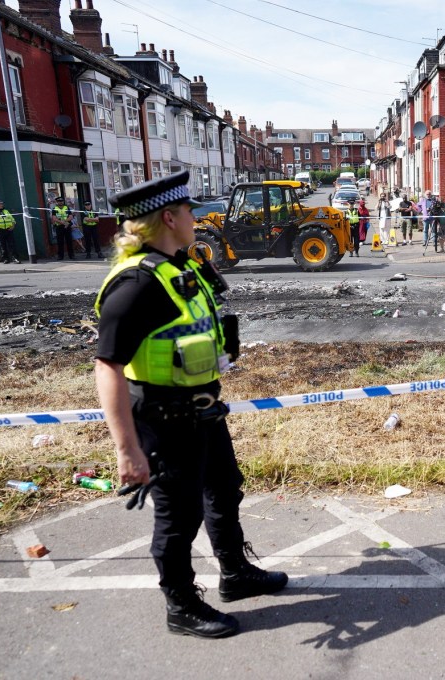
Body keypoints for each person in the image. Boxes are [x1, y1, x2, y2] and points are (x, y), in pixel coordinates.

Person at [94, 170, 288, 639]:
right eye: (188, 213)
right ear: (168, 217)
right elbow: (107, 367)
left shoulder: (180, 266)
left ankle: (235, 574)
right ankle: (180, 605)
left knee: (224, 489)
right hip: (163, 418)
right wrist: (127, 450)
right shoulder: (137, 285)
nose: (195, 220)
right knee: (179, 517)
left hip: (202, 410)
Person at [0, 199, 20, 264]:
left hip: (8, 229)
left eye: (1, 204)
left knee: (12, 244)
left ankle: (15, 258)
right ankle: (5, 259)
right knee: (2, 245)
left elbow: (12, 219)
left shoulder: (6, 211)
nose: (1, 205)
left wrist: (13, 226)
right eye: (0, 204)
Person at [52, 196, 75, 260]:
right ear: (57, 202)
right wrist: (61, 222)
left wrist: (65, 221)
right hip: (59, 227)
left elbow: (71, 217)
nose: (61, 202)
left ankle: (71, 255)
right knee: (60, 242)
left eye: (61, 201)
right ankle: (60, 256)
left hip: (67, 226)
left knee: (69, 241)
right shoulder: (54, 209)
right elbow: (54, 218)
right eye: (59, 201)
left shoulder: (67, 207)